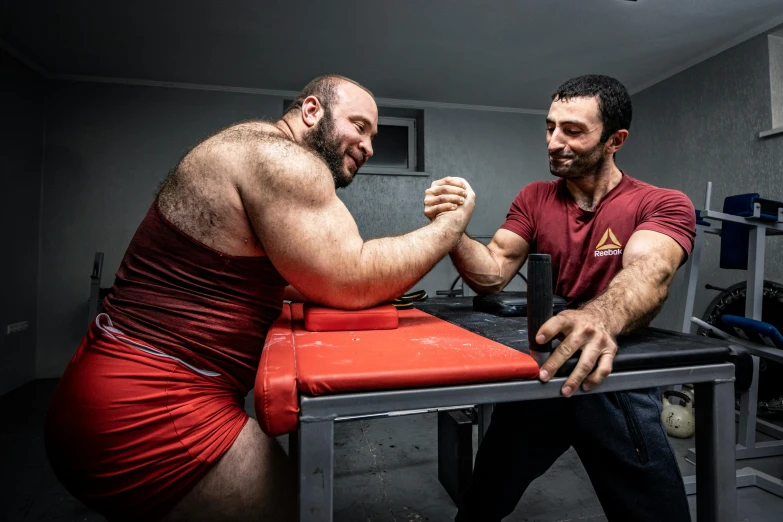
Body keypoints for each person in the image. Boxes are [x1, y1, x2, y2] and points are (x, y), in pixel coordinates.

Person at [44, 74, 475, 522]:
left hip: (108, 387)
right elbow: (352, 277)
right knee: (297, 509)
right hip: (146, 409)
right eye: (359, 126)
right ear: (312, 111)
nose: (368, 145)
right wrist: (451, 226)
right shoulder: (282, 158)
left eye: (374, 136)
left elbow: (294, 278)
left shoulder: (248, 146)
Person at [424, 75, 696, 522]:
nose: (553, 141)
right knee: (483, 498)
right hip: (546, 371)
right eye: (550, 127)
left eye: (572, 130)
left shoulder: (661, 203)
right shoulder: (534, 198)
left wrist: (599, 317)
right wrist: (452, 230)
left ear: (615, 140)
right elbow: (492, 272)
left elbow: (649, 273)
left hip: (612, 374)